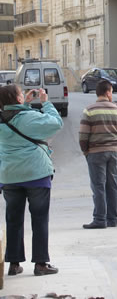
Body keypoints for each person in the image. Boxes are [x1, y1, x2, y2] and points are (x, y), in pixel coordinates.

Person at [0, 85, 63, 276]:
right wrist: (45, 102)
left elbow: (14, 117)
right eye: (21, 94)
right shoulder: (29, 118)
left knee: (13, 219)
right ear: (18, 99)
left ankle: (13, 263)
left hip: (9, 176)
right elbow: (55, 123)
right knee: (40, 219)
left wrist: (24, 104)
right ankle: (41, 264)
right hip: (36, 175)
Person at [80, 80, 117, 229]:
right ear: (107, 92)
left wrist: (86, 151)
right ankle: (112, 219)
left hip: (95, 153)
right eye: (112, 91)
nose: (112, 94)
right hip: (113, 152)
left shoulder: (89, 110)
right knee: (113, 185)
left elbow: (83, 135)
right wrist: (116, 147)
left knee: (98, 185)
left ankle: (100, 219)